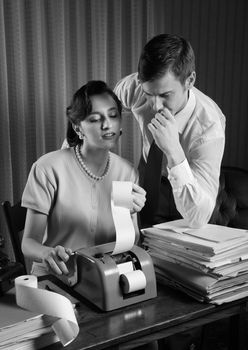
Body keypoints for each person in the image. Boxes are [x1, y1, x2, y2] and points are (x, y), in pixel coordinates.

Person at [21, 80, 146, 277]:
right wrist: (47, 252)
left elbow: (132, 242)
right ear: (78, 128)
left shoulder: (128, 173)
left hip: (105, 279)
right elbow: (28, 243)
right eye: (95, 119)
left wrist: (132, 217)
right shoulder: (47, 168)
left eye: (113, 116)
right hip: (56, 278)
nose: (107, 125)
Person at [114, 33, 225, 229]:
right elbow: (97, 109)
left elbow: (198, 217)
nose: (156, 106)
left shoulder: (209, 127)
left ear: (189, 80)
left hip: (192, 195)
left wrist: (173, 149)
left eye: (165, 95)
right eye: (149, 94)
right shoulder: (135, 87)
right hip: (147, 181)